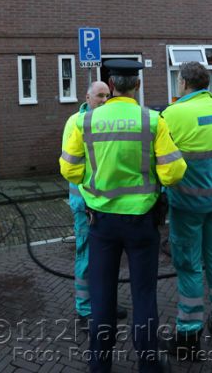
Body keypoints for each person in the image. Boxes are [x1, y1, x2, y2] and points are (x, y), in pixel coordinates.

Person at [59, 59, 186, 373]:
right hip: (141, 222)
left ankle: (99, 364)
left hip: (100, 222)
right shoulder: (153, 121)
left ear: (111, 86)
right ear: (138, 86)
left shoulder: (82, 122)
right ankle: (149, 364)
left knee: (102, 294)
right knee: (144, 294)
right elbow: (172, 173)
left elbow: (69, 169)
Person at [161, 62, 212, 359]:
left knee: (190, 267)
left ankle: (188, 335)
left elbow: (162, 162)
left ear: (183, 83)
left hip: (187, 204)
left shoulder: (173, 114)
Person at [62, 80, 127, 325]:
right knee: (86, 254)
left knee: (108, 257)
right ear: (86, 97)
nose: (103, 100)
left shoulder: (106, 121)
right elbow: (70, 165)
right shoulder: (75, 123)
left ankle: (105, 303)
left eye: (107, 95)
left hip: (105, 202)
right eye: (99, 95)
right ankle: (85, 309)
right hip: (84, 200)